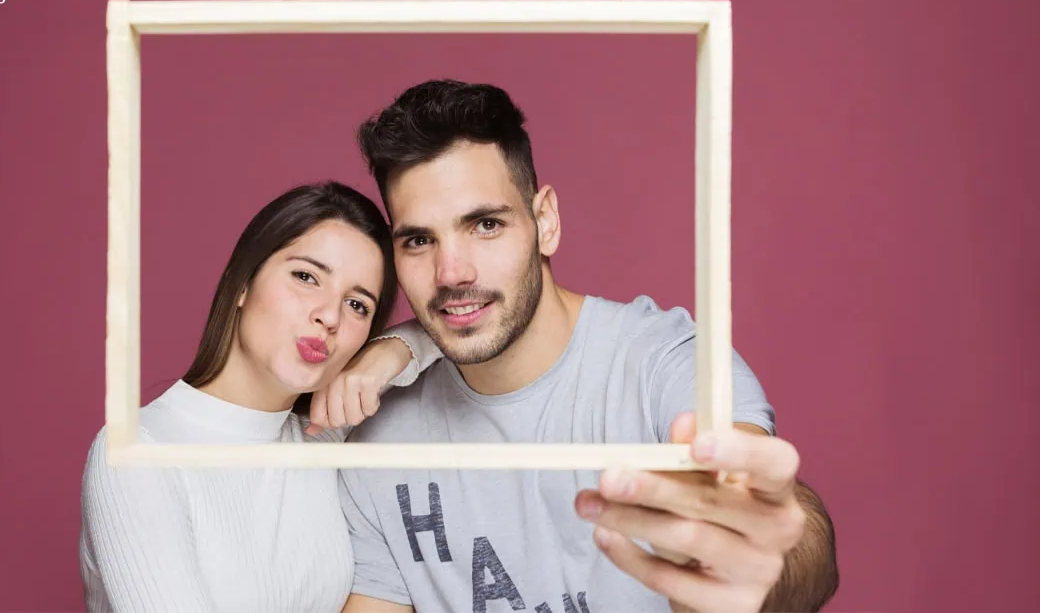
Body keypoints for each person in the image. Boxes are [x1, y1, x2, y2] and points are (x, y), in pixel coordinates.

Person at [307, 80, 840, 613]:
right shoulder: (380, 440)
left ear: (546, 221)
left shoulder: (663, 363)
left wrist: (761, 545)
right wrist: (398, 345)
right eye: (419, 240)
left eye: (486, 225)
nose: (452, 273)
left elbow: (782, 526)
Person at [78, 181, 419, 612]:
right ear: (242, 283)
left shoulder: (324, 435)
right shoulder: (138, 453)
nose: (330, 316)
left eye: (358, 305)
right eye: (306, 277)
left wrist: (388, 354)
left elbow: (457, 328)